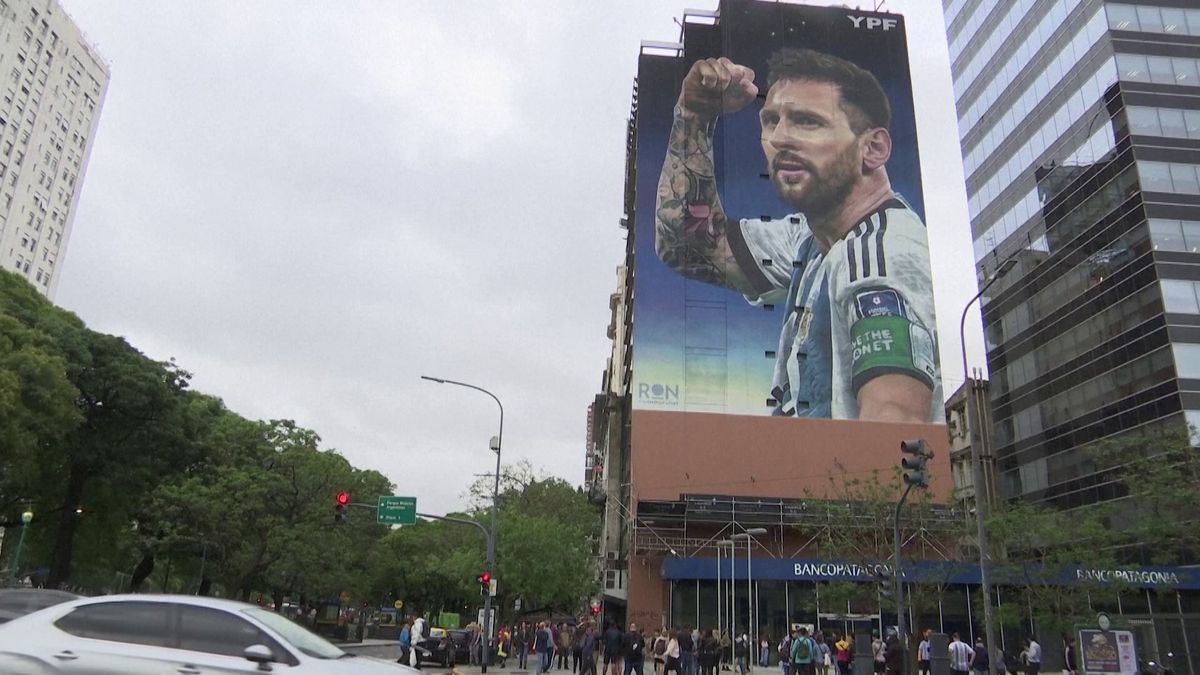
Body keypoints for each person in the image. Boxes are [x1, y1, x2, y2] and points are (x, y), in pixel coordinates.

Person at [654, 47, 940, 422]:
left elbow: (895, 426)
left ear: (874, 148)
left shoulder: (882, 256)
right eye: (771, 121)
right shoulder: (811, 239)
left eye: (807, 121)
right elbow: (686, 241)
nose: (780, 139)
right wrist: (694, 114)